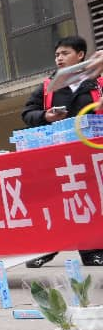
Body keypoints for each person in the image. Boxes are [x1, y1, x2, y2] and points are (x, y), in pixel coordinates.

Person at [22, 36, 103, 268]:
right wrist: (45, 116)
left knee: (90, 200)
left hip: (92, 154)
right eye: (57, 54)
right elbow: (27, 113)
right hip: (61, 158)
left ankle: (92, 251)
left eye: (65, 53)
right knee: (59, 202)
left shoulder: (97, 82)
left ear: (80, 55)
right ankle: (49, 247)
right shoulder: (49, 86)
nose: (59, 58)